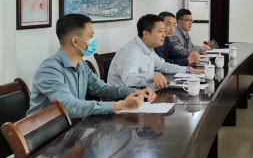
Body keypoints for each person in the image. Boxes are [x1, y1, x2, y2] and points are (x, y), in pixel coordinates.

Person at [27, 14, 155, 119]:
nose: (93, 40)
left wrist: (135, 91)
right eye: (91, 36)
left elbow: (102, 89)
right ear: (75, 41)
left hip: (72, 129)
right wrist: (120, 105)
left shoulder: (81, 64)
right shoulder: (49, 70)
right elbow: (70, 107)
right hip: (45, 136)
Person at [108, 14, 202, 90]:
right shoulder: (131, 52)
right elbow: (129, 80)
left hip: (141, 95)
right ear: (146, 34)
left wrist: (187, 70)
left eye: (164, 31)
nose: (164, 35)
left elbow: (163, 66)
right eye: (160, 31)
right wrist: (153, 75)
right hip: (121, 101)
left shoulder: (149, 49)